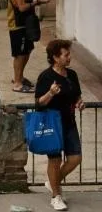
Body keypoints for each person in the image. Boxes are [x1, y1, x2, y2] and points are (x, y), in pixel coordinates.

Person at [36, 39, 85, 211]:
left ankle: (52, 182)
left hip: (69, 122)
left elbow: (76, 95)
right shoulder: (46, 77)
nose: (69, 57)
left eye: (68, 54)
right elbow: (39, 103)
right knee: (54, 161)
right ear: (56, 58)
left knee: (75, 158)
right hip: (52, 123)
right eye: (66, 55)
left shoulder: (72, 75)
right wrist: (50, 93)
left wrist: (79, 102)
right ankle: (55, 196)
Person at [9, 0, 50, 93]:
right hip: (18, 24)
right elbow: (21, 7)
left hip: (24, 24)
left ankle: (20, 77)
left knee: (26, 51)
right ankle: (17, 83)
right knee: (20, 54)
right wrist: (38, 2)